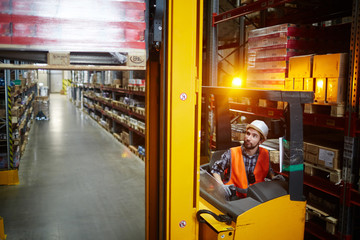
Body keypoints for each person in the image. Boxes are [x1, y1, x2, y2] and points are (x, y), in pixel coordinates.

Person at [211, 120, 284, 199]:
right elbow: (215, 170)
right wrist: (221, 186)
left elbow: (268, 170)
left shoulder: (265, 154)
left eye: (254, 136)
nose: (248, 138)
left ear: (261, 141)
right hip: (234, 199)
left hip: (256, 199)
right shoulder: (232, 153)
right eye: (248, 133)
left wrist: (273, 177)